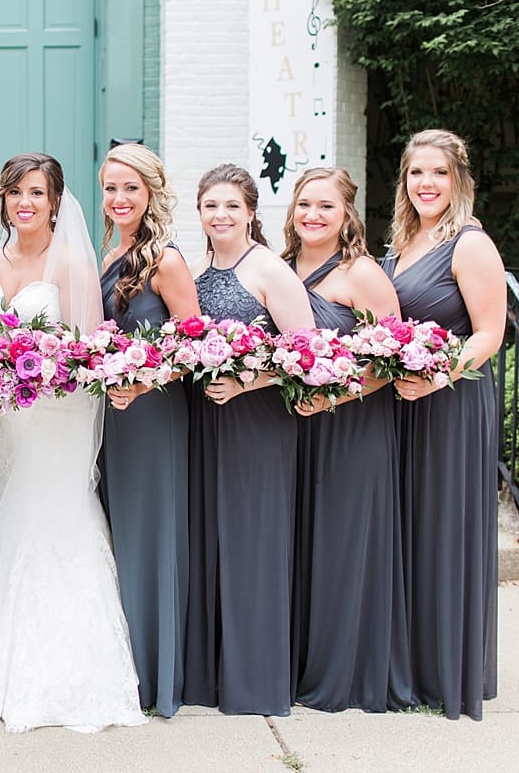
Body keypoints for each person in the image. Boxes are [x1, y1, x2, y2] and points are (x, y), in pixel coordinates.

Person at [0, 152, 146, 733]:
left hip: (58, 419)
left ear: (56, 200)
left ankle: (66, 673)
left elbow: (89, 357)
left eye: (36, 192)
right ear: (3, 200)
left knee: (52, 523)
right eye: (14, 193)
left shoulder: (73, 265)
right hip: (8, 423)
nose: (24, 203)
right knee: (5, 523)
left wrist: (39, 374)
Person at [380, 129, 505, 720]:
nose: (426, 184)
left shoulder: (469, 242)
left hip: (451, 403)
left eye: (438, 173)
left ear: (459, 180)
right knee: (411, 525)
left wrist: (439, 376)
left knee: (444, 525)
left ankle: (447, 671)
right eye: (416, 174)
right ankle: (413, 662)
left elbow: (489, 333)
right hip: (402, 403)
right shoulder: (404, 240)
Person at [183, 163, 313, 716]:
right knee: (210, 540)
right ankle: (211, 674)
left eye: (232, 205)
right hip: (205, 424)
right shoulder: (196, 267)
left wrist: (247, 381)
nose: (221, 215)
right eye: (211, 205)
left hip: (257, 422)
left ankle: (255, 680)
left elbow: (311, 354)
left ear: (252, 212)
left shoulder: (268, 268)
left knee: (253, 541)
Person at [282, 167, 412, 712]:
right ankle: (299, 661)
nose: (313, 215)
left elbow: (394, 355)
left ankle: (346, 673)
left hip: (353, 426)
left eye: (326, 207)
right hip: (294, 430)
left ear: (347, 215)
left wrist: (333, 395)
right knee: (303, 546)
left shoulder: (361, 274)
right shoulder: (282, 268)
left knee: (342, 547)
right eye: (304, 204)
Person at [96, 143, 199, 717]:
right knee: (116, 531)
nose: (118, 198)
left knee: (147, 534)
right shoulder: (113, 251)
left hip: (153, 414)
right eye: (111, 187)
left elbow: (194, 345)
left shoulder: (166, 260)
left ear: (153, 193)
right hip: (114, 416)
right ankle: (120, 661)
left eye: (131, 188)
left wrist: (141, 382)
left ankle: (153, 676)